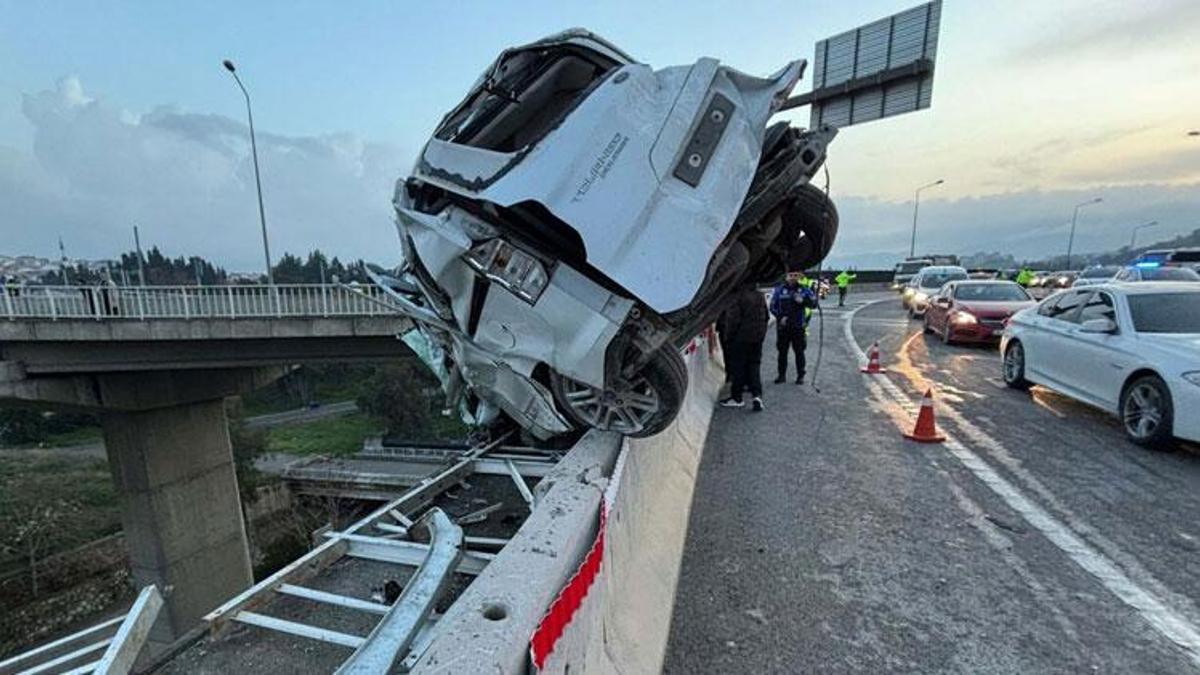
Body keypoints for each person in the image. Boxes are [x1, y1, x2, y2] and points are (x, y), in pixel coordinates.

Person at [717, 281, 769, 411]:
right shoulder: (760, 296)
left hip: (740, 338)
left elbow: (732, 320)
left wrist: (728, 337)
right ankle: (757, 395)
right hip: (757, 338)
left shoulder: (737, 297)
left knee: (738, 368)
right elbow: (766, 316)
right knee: (754, 366)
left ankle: (737, 397)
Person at [770, 271, 817, 384]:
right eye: (790, 275)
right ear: (786, 277)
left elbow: (814, 304)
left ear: (799, 277)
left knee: (799, 352)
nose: (793, 278)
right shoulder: (779, 290)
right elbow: (773, 306)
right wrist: (780, 317)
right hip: (783, 327)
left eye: (796, 276)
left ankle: (800, 375)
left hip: (798, 326)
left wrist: (804, 301)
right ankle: (781, 375)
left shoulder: (804, 289)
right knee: (782, 352)